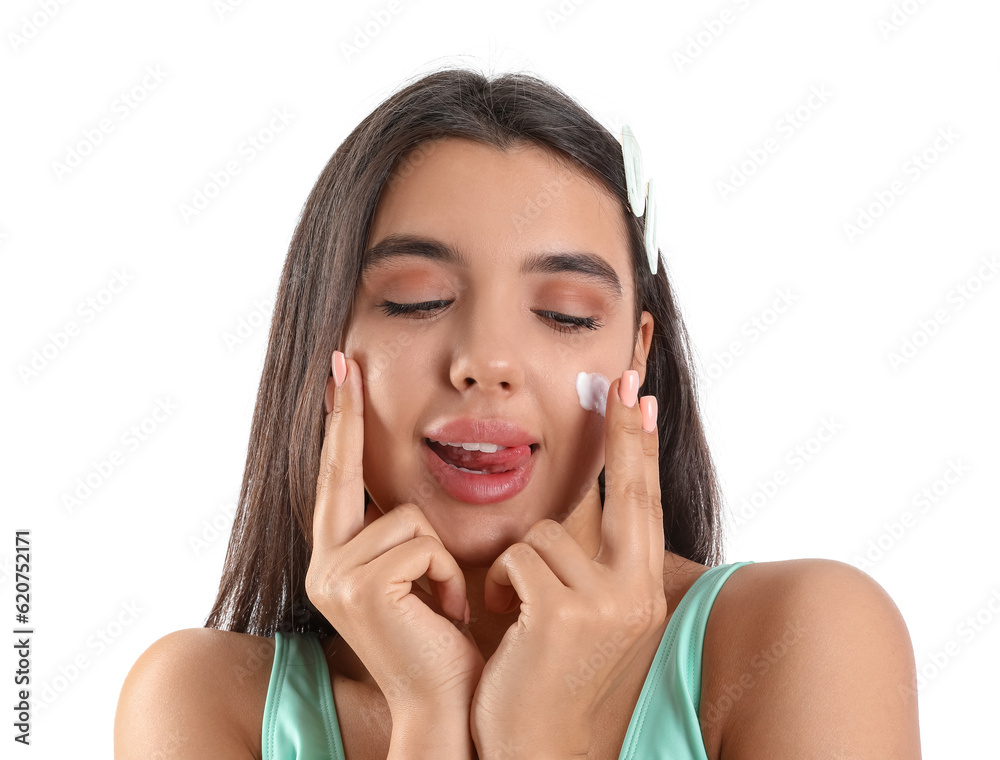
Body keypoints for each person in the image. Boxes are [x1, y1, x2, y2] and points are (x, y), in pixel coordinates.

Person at [114, 67, 922, 759]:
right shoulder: (202, 705)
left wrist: (543, 736)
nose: (488, 364)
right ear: (327, 349)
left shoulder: (809, 638)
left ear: (635, 360)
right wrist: (429, 719)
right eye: (416, 300)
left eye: (567, 314)